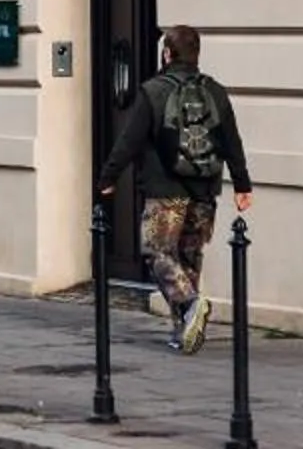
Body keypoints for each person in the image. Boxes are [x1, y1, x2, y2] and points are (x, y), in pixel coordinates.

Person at [97, 23, 253, 354]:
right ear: (196, 54)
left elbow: (129, 141)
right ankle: (185, 332)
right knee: (189, 258)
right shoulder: (216, 91)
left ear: (167, 53)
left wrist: (108, 177)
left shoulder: (153, 91)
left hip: (164, 188)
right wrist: (242, 183)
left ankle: (190, 305)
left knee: (159, 254)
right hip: (204, 189)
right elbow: (231, 140)